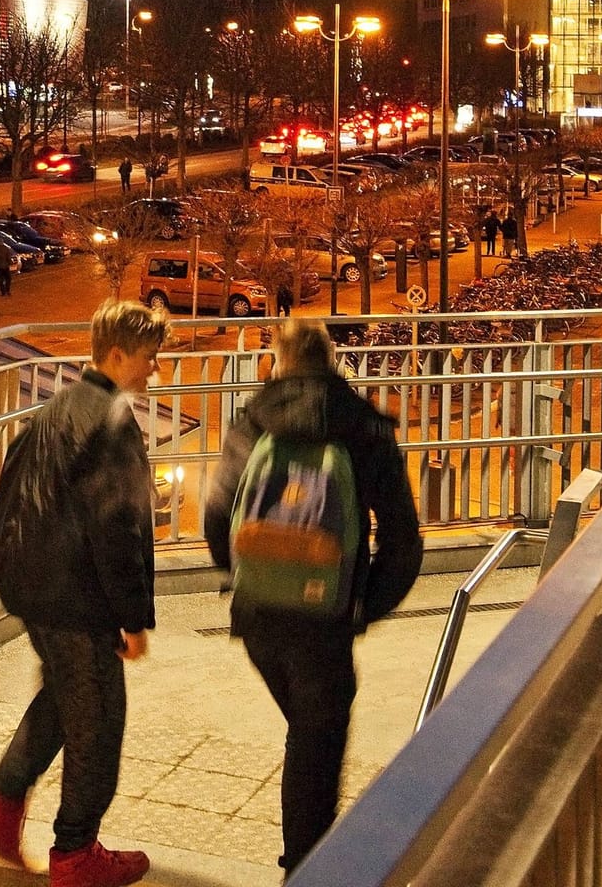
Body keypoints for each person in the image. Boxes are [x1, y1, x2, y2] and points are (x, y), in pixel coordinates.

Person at [203, 320, 422, 879]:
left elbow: (215, 518)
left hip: (257, 617)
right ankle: (306, 867)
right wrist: (360, 604)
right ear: (332, 362)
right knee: (318, 736)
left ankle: (307, 856)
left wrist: (250, 575)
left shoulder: (252, 421)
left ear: (277, 363)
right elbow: (402, 540)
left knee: (308, 727)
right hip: (323, 618)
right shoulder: (364, 428)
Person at [0, 300, 163, 887]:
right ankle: (76, 853)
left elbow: (14, 490)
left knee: (62, 696)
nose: (154, 371)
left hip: (33, 585)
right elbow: (117, 526)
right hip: (75, 595)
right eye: (149, 360)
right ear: (119, 354)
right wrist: (132, 617)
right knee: (99, 718)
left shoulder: (55, 408)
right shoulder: (111, 420)